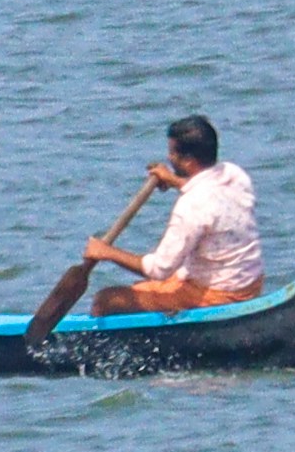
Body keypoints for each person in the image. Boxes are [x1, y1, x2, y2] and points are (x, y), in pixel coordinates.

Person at [83, 114, 265, 312]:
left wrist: (106, 252)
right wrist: (173, 180)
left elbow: (159, 269)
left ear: (188, 160)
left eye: (172, 153)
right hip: (250, 282)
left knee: (106, 300)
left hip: (218, 294)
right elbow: (209, 199)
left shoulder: (191, 206)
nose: (169, 158)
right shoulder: (234, 174)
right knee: (143, 288)